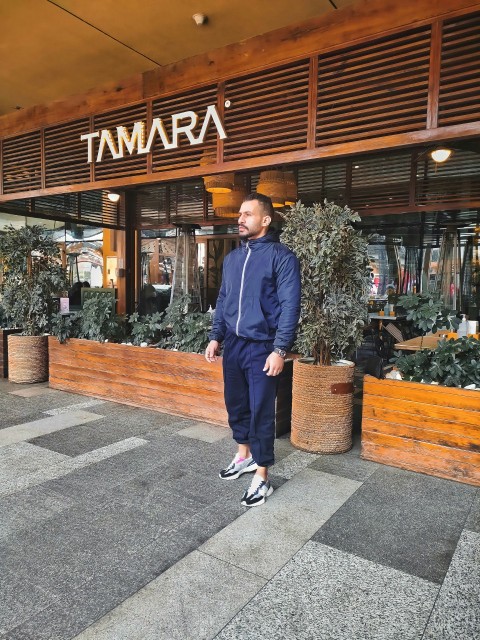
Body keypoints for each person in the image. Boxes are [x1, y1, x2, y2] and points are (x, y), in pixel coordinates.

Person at [205, 192, 301, 507]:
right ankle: (243, 456)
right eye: (240, 214)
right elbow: (223, 300)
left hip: (263, 347)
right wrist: (216, 336)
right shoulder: (232, 259)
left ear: (265, 220)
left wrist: (280, 349)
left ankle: (262, 476)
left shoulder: (281, 257)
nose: (240, 218)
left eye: (247, 214)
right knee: (237, 405)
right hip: (233, 345)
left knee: (261, 410)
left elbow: (290, 306)